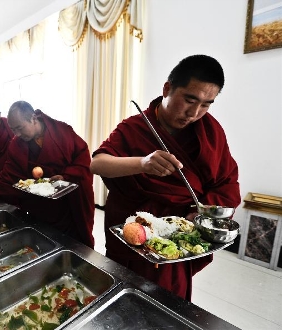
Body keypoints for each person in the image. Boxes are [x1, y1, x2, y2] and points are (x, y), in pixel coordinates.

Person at [90, 54, 241, 301]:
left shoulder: (211, 132)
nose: (194, 112)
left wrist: (200, 212)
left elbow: (226, 181)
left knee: (169, 299)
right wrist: (143, 163)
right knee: (126, 296)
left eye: (206, 104)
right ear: (167, 88)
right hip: (136, 227)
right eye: (189, 99)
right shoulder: (135, 127)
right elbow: (97, 164)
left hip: (181, 232)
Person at [0, 101, 95, 248]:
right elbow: (6, 176)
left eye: (20, 128)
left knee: (75, 243)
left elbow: (83, 158)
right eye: (13, 130)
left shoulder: (61, 131)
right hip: (40, 208)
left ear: (33, 118)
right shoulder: (16, 143)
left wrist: (65, 176)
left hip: (69, 205)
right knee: (45, 243)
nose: (17, 134)